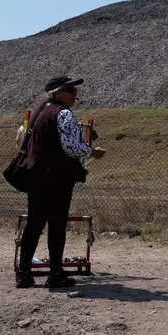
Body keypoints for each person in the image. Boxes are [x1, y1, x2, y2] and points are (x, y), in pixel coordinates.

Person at [16, 75, 106, 289]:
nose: (75, 95)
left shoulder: (39, 112)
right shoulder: (63, 113)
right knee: (57, 224)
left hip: (36, 176)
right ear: (57, 92)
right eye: (70, 90)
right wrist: (92, 152)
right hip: (58, 177)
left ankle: (24, 272)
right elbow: (70, 146)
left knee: (34, 224)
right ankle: (55, 273)